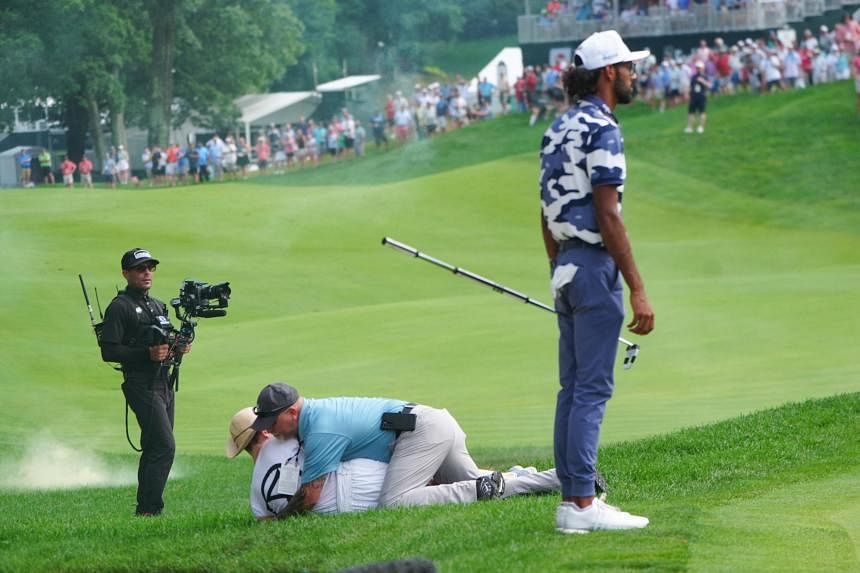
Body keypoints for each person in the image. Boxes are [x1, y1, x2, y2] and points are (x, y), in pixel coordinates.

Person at [539, 29, 655, 534]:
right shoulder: (603, 128)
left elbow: (544, 213)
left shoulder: (558, 127)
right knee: (591, 390)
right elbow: (608, 213)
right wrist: (637, 286)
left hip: (564, 267)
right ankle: (583, 505)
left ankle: (572, 499)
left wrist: (556, 269)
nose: (633, 74)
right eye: (628, 67)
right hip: (591, 265)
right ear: (609, 72)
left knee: (572, 388)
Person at [230, 406, 561, 519]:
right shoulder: (300, 435)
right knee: (448, 480)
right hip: (396, 450)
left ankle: (509, 483)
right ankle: (530, 478)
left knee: (410, 496)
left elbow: (278, 515)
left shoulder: (306, 438)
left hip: (400, 449)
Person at [248, 383, 507, 517]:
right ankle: (535, 477)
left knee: (394, 503)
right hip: (433, 422)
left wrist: (280, 520)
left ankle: (477, 491)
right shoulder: (318, 414)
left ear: (292, 412)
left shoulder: (319, 430)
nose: (269, 430)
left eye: (271, 422)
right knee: (486, 480)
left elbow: (310, 497)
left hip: (420, 432)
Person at [99, 249, 190, 516]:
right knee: (164, 445)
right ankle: (151, 509)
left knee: (154, 446)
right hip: (141, 383)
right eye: (140, 268)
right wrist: (146, 354)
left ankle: (146, 510)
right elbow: (109, 351)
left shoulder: (158, 305)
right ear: (126, 273)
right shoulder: (119, 307)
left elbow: (165, 341)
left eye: (150, 268)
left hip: (164, 382)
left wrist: (177, 348)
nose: (147, 272)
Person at [685, 61, 711, 133]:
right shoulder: (694, 77)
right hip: (693, 96)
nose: (698, 69)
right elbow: (690, 86)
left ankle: (701, 127)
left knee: (702, 112)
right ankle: (690, 127)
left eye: (699, 68)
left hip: (701, 96)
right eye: (697, 68)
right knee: (691, 112)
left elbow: (709, 85)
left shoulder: (705, 76)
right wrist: (688, 94)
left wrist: (702, 81)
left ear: (702, 68)